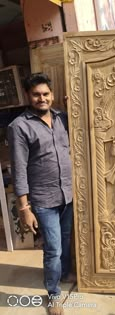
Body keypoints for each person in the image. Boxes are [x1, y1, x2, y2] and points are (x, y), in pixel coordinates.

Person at [8, 73, 74, 315]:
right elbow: (19, 169)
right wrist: (25, 209)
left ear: (52, 95)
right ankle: (54, 293)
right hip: (44, 199)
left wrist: (72, 104)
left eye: (46, 94)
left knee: (65, 241)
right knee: (53, 248)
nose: (42, 98)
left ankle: (64, 273)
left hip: (68, 194)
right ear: (29, 96)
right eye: (36, 94)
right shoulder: (19, 127)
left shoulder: (61, 118)